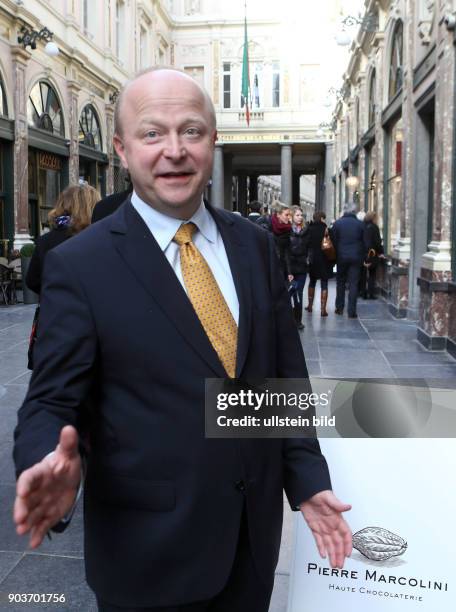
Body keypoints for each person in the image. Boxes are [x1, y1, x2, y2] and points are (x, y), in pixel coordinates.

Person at [13, 68, 351, 612]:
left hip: (250, 543)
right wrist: (43, 460)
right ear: (122, 149)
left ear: (213, 141)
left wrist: (307, 480)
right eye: (152, 134)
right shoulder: (83, 264)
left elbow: (280, 380)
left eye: (191, 131)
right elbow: (51, 400)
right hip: (148, 556)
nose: (174, 150)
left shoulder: (255, 247)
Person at [26, 183, 101, 295]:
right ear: (93, 206)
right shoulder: (99, 238)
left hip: (53, 307)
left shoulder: (45, 240)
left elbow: (32, 281)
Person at [331, 201, 365, 318]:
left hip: (341, 257)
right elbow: (365, 242)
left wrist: (337, 253)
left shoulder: (338, 224)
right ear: (354, 211)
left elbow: (333, 240)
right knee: (353, 284)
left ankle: (339, 308)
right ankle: (352, 311)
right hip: (356, 257)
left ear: (344, 210)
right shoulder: (360, 224)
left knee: (340, 282)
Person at [305, 211, 332, 317]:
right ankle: (323, 309)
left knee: (312, 281)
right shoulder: (326, 230)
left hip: (313, 259)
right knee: (324, 283)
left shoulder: (309, 229)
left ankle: (310, 306)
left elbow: (306, 244)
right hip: (324, 259)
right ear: (321, 219)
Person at [288, 206, 309, 330]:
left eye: (301, 215)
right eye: (297, 215)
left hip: (301, 265)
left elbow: (310, 246)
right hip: (290, 266)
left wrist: (308, 258)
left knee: (299, 292)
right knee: (289, 292)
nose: (300, 217)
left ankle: (298, 320)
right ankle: (288, 319)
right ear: (291, 216)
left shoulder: (306, 230)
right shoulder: (286, 230)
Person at [361, 210, 385, 299]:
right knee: (372, 274)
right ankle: (371, 293)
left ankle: (363, 293)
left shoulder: (362, 226)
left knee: (363, 273)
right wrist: (381, 252)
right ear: (374, 218)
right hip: (372, 253)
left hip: (363, 253)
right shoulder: (374, 227)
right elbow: (377, 242)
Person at [271, 201, 292, 280]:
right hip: (270, 266)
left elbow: (287, 253)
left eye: (289, 215)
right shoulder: (268, 224)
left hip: (282, 268)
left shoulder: (289, 229)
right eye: (286, 215)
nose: (289, 217)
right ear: (278, 215)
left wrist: (289, 272)